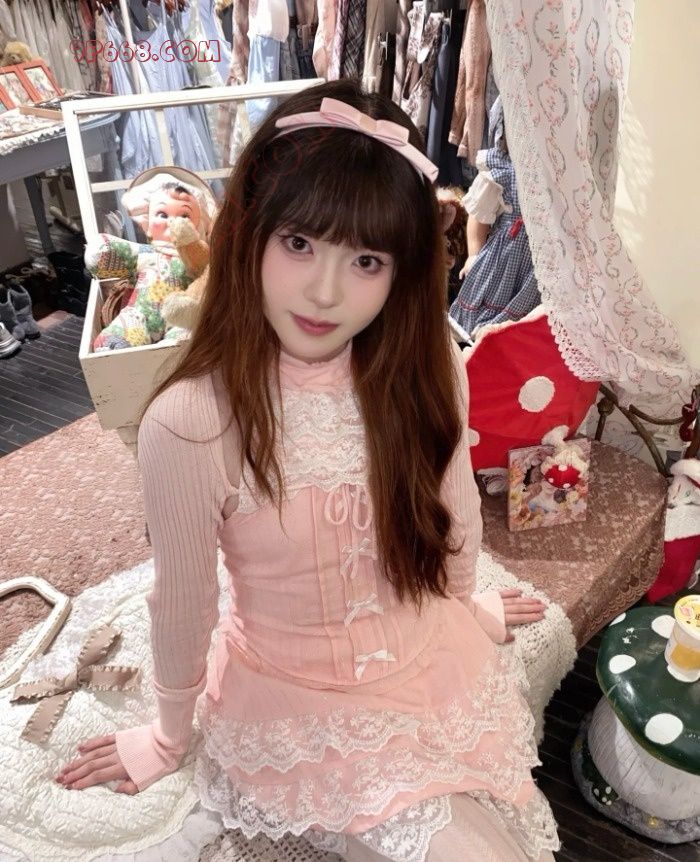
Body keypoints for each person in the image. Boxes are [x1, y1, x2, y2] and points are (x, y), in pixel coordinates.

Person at [56, 79, 558, 862]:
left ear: (402, 272)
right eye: (298, 243)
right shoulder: (191, 420)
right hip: (297, 709)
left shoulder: (426, 366)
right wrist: (168, 736)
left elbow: (453, 517)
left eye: (366, 259)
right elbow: (183, 600)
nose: (325, 291)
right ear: (250, 231)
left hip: (428, 659)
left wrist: (465, 612)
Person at [448, 97, 541, 344]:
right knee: (485, 322)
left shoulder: (555, 178)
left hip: (539, 264)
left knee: (527, 327)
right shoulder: (502, 170)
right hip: (503, 260)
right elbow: (479, 217)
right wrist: (473, 255)